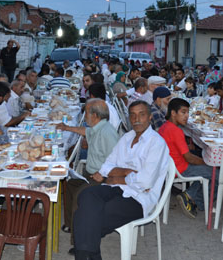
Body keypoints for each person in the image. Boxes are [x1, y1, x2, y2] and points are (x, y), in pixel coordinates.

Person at [72, 101, 170, 260]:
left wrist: (116, 177)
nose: (137, 119)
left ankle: (84, 252)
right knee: (86, 195)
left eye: (142, 114)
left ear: (150, 117)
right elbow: (108, 164)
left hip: (140, 198)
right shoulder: (127, 137)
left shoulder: (156, 143)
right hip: (118, 187)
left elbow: (145, 183)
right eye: (133, 115)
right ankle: (91, 252)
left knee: (93, 214)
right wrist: (124, 173)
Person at [56, 99, 120, 251]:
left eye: (86, 114)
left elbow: (116, 160)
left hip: (102, 178)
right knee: (70, 184)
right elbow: (85, 131)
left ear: (95, 115)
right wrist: (66, 127)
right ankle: (72, 225)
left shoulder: (107, 133)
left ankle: (80, 242)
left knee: (81, 195)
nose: (84, 117)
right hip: (90, 174)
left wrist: (103, 175)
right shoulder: (98, 127)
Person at [159, 98, 215, 218]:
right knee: (218, 174)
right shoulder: (176, 131)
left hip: (169, 165)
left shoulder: (165, 127)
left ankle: (192, 194)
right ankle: (193, 198)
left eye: (187, 113)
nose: (187, 116)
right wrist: (206, 163)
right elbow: (189, 158)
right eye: (183, 112)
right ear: (173, 113)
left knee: (201, 158)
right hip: (180, 168)